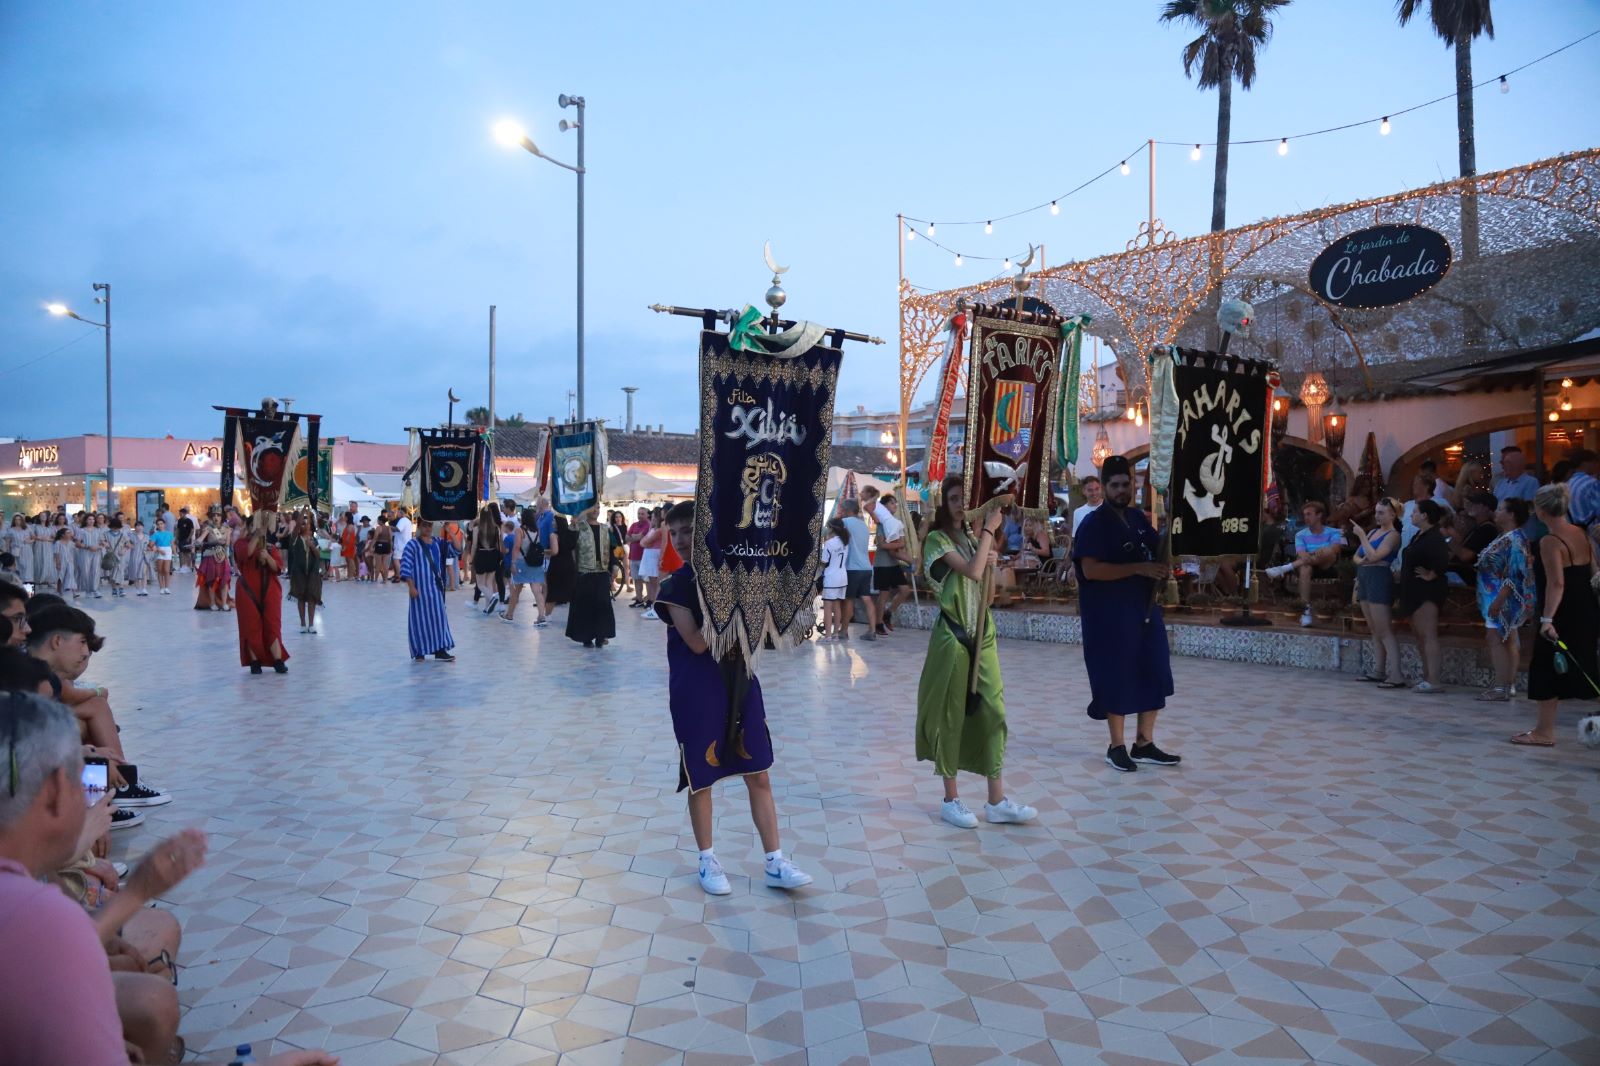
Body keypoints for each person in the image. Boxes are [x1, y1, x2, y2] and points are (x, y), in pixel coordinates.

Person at [654, 501, 813, 894]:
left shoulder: (735, 573)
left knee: (758, 771)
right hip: (697, 689)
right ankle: (707, 860)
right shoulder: (674, 587)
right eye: (674, 533)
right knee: (700, 780)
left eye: (689, 529)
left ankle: (774, 860)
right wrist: (735, 603)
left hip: (740, 682)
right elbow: (694, 642)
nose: (682, 539)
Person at [914, 475, 1039, 825]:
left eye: (964, 499)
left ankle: (996, 800)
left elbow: (987, 596)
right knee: (951, 715)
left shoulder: (971, 539)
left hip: (982, 635)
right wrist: (988, 531)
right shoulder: (938, 541)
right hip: (953, 637)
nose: (960, 505)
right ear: (944, 504)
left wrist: (993, 562)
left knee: (993, 712)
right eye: (954, 499)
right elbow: (970, 572)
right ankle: (950, 798)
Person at [1073, 455, 1180, 773]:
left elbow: (1155, 547)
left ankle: (1144, 743)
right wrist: (1140, 568)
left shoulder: (1137, 518)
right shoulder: (1094, 524)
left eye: (1127, 484)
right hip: (1109, 617)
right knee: (1116, 677)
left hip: (1144, 611)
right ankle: (1116, 746)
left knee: (1155, 669)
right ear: (1104, 488)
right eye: (1115, 485)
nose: (1122, 490)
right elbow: (1090, 570)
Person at [1513, 484, 1598, 746]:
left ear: (1540, 510)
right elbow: (1594, 570)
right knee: (1584, 664)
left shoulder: (1549, 541)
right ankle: (1545, 729)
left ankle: (1544, 731)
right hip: (1586, 608)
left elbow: (1556, 583)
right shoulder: (1580, 533)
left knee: (1545, 667)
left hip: (1562, 611)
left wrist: (1547, 619)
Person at [1476, 497, 1536, 703]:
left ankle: (1502, 686)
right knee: (1508, 639)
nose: (1497, 512)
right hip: (1494, 595)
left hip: (1501, 597)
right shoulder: (1508, 537)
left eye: (1501, 509)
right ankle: (1507, 684)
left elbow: (1514, 575)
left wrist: (1498, 601)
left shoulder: (1514, 540)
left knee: (1496, 639)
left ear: (1511, 514)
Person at [1263, 501, 1345, 627]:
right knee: (1305, 568)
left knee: (1327, 552)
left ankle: (1286, 568)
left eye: (1309, 514)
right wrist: (1315, 553)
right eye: (1304, 515)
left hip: (1328, 565)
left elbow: (1335, 549)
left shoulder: (1334, 532)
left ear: (1319, 515)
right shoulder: (1300, 535)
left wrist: (1320, 551)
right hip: (1308, 564)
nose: (1306, 517)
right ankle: (1306, 610)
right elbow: (1302, 555)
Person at [1350, 498, 1404, 687]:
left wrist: (1362, 536)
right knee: (1373, 628)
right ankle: (1379, 670)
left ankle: (1396, 674)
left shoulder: (1393, 535)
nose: (1377, 516)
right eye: (1376, 512)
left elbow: (1374, 555)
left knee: (1384, 629)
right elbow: (1357, 556)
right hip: (1365, 576)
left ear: (1392, 515)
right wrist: (1363, 561)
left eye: (1381, 512)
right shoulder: (1373, 532)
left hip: (1380, 577)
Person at [1397, 499, 1449, 693]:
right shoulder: (1420, 535)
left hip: (1426, 591)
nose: (1412, 515)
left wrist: (1431, 574)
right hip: (1412, 590)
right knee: (1420, 635)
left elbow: (1443, 559)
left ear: (1425, 515)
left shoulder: (1434, 537)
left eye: (1415, 512)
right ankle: (1427, 675)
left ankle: (1434, 679)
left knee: (1428, 634)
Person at [235, 514, 288, 675]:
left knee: (272, 625)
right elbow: (246, 554)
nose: (259, 529)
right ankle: (254, 661)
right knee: (250, 627)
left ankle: (278, 660)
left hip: (270, 590)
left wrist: (268, 558)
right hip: (247, 591)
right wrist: (257, 536)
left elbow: (278, 568)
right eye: (255, 526)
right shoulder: (240, 544)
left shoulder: (271, 547)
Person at [401, 518, 456, 663]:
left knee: (439, 619)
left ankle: (440, 650)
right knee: (419, 621)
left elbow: (457, 548)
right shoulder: (412, 545)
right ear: (419, 526)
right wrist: (411, 587)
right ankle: (420, 651)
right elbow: (406, 567)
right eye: (424, 525)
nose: (427, 528)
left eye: (429, 525)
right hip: (420, 590)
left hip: (436, 589)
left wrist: (449, 530)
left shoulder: (438, 542)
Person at [860, 487, 911, 633]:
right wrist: (899, 544)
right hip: (882, 564)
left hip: (893, 564)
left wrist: (899, 545)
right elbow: (883, 544)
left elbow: (901, 542)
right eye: (892, 503)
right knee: (883, 594)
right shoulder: (882, 523)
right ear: (884, 506)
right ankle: (878, 623)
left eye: (895, 503)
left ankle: (888, 613)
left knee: (905, 590)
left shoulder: (894, 523)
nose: (895, 506)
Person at [566, 508, 616, 648]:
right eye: (593, 508)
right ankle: (586, 636)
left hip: (602, 572)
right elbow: (569, 545)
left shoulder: (605, 528)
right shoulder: (579, 527)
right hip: (585, 572)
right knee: (585, 606)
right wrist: (571, 527)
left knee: (603, 605)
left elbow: (611, 550)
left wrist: (614, 566)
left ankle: (601, 636)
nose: (596, 511)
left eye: (598, 508)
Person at [500, 507, 550, 627]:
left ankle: (509, 615)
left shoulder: (519, 530)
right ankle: (541, 617)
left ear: (523, 518)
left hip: (522, 563)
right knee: (537, 591)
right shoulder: (537, 530)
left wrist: (512, 563)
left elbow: (516, 547)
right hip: (535, 563)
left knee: (516, 590)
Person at [836, 499, 878, 640]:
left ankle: (844, 631)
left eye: (842, 509)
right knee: (866, 598)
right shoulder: (863, 525)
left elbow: (833, 537)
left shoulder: (845, 522)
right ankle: (872, 630)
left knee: (849, 599)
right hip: (866, 567)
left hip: (852, 568)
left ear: (847, 510)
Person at [1449, 491, 1499, 585]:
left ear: (1486, 508)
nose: (1471, 505)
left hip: (1467, 577)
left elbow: (1465, 556)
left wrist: (1450, 535)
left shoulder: (1487, 529)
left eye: (1476, 503)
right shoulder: (1478, 527)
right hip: (1458, 573)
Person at [287, 512, 323, 634]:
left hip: (312, 573)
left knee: (312, 599)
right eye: (302, 525)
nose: (304, 526)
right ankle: (303, 623)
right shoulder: (295, 539)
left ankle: (311, 624)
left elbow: (318, 556)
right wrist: (303, 511)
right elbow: (296, 526)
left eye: (306, 525)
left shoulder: (314, 540)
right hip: (299, 573)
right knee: (301, 598)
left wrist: (311, 545)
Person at [818, 516, 850, 641]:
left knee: (827, 608)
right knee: (837, 607)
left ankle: (827, 636)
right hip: (843, 578)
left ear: (831, 528)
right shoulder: (845, 541)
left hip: (831, 578)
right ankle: (836, 634)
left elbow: (824, 561)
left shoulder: (829, 543)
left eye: (827, 527)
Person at [469, 502, 504, 612]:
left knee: (480, 584)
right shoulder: (496, 528)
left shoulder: (477, 529)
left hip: (481, 555)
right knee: (488, 582)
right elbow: (498, 544)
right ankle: (487, 607)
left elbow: (474, 545)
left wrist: (472, 559)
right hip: (493, 555)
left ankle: (493, 597)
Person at [545, 512, 577, 608]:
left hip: (556, 566)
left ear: (558, 522)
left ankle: (546, 616)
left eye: (553, 521)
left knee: (552, 593)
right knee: (570, 593)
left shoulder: (554, 535)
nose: (552, 523)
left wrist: (546, 552)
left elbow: (555, 551)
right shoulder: (571, 533)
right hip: (569, 565)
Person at [638, 509, 665, 620]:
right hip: (649, 556)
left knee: (655, 583)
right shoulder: (653, 529)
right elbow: (643, 542)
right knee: (652, 583)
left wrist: (644, 541)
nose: (652, 519)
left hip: (654, 556)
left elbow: (644, 542)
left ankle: (656, 608)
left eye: (653, 517)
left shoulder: (659, 530)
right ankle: (654, 606)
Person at [626, 507, 651, 606]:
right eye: (639, 513)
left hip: (643, 557)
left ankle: (649, 599)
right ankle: (639, 599)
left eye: (642, 514)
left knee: (647, 580)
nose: (640, 515)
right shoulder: (634, 524)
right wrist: (636, 537)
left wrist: (634, 536)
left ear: (647, 515)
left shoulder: (648, 525)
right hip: (633, 556)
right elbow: (627, 537)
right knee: (636, 579)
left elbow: (641, 537)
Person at [3, 514, 33, 587]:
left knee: (27, 568)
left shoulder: (27, 528)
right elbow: (7, 542)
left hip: (26, 550)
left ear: (22, 520)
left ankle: (28, 588)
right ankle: (18, 586)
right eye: (16, 519)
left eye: (19, 519)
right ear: (14, 521)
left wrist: (30, 541)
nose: (17, 521)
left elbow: (34, 538)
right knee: (17, 568)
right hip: (15, 550)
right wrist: (7, 552)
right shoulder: (11, 530)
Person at [150, 517, 174, 595]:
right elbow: (151, 545)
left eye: (161, 524)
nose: (160, 525)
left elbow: (172, 543)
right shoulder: (155, 534)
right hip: (159, 551)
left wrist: (175, 552)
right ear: (156, 526)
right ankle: (161, 588)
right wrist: (158, 550)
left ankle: (167, 587)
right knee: (160, 570)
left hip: (168, 551)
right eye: (158, 524)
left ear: (164, 524)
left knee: (166, 570)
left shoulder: (169, 533)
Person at [174, 506, 195, 573]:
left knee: (187, 553)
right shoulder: (179, 521)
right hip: (180, 539)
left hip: (187, 539)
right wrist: (176, 538)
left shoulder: (189, 521)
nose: (180, 515)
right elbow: (178, 530)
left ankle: (188, 566)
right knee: (181, 553)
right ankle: (182, 567)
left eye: (181, 514)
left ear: (185, 513)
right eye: (179, 514)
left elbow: (192, 530)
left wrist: (189, 538)